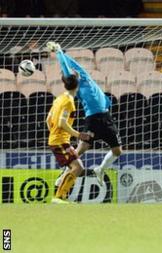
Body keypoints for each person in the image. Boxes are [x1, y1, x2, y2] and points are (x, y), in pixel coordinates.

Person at [48, 42, 122, 187]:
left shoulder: (84, 76)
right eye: (69, 73)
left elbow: (71, 64)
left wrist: (60, 51)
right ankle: (65, 172)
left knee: (117, 151)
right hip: (92, 119)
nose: (72, 71)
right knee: (81, 148)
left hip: (106, 117)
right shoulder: (76, 86)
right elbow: (65, 67)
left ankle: (100, 169)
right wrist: (58, 52)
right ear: (71, 79)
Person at [47, 69, 93, 203]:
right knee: (77, 167)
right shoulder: (69, 102)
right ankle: (59, 196)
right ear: (77, 86)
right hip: (60, 141)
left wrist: (54, 135)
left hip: (57, 140)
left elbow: (48, 120)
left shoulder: (59, 99)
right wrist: (79, 135)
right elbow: (62, 123)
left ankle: (61, 195)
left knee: (75, 167)